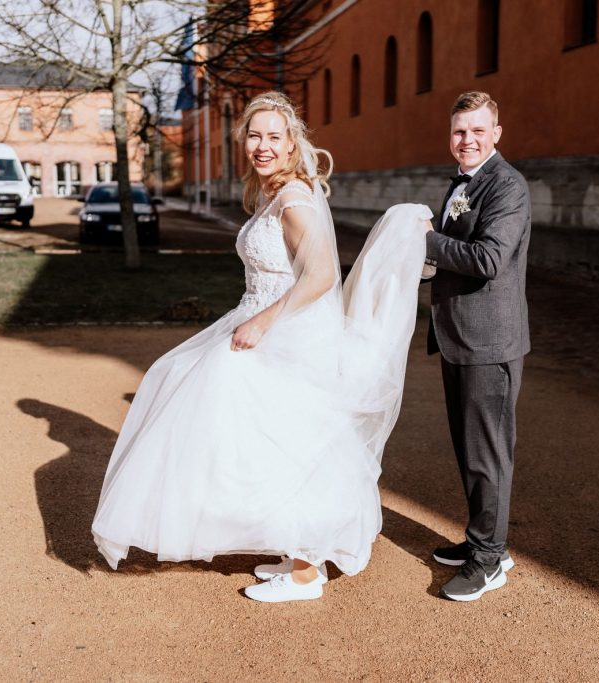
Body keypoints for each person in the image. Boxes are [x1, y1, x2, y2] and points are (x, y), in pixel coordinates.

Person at [91, 92, 430, 603]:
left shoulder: (292, 198)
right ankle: (295, 550)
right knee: (264, 438)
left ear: (291, 142)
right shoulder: (275, 193)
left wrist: (265, 323)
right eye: (254, 135)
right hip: (265, 321)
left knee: (287, 443)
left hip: (286, 332)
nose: (263, 145)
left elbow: (320, 276)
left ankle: (305, 571)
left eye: (274, 136)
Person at [423, 91, 532, 602]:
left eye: (476, 130)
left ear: (497, 133)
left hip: (489, 341)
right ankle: (480, 541)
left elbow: (488, 259)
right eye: (459, 131)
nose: (466, 140)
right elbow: (454, 253)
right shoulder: (462, 182)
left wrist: (424, 239)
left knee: (488, 454)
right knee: (470, 450)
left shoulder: (507, 184)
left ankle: (490, 560)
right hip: (458, 335)